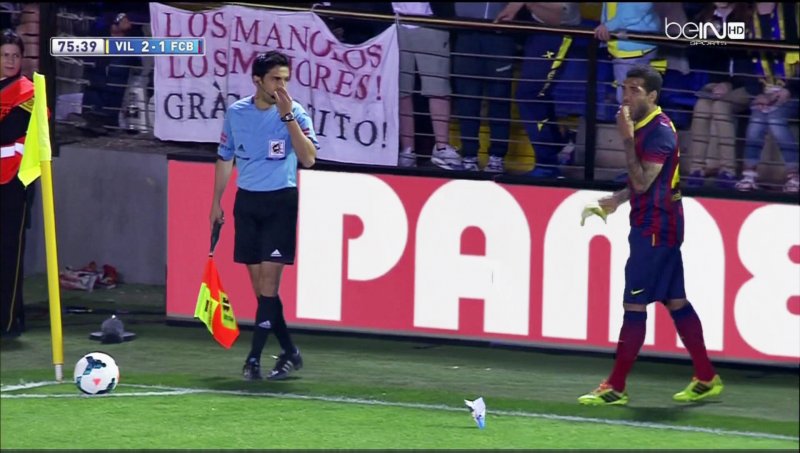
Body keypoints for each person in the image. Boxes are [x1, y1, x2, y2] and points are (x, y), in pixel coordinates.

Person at [578, 66, 723, 406]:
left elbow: (644, 181)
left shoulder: (658, 132)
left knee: (634, 303)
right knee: (676, 301)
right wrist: (616, 200)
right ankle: (705, 376)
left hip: (656, 228)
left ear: (652, 96)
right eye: (624, 88)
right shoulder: (647, 125)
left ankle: (616, 386)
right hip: (656, 223)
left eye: (634, 90)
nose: (625, 95)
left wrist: (626, 137)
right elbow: (644, 182)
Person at [209, 51, 319, 381]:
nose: (282, 85)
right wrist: (217, 201)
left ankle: (254, 358)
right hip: (248, 204)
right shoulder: (237, 113)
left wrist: (288, 119)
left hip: (280, 203)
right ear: (258, 81)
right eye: (276, 79)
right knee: (261, 294)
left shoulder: (295, 112)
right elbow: (225, 157)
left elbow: (309, 159)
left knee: (269, 288)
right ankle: (289, 351)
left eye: (285, 79)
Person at [497, 2, 581, 178]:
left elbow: (559, 16)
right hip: (538, 33)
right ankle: (559, 146)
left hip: (556, 34)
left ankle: (548, 163)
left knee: (530, 96)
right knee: (534, 96)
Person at [685, 3, 752, 189]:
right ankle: (696, 170)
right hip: (718, 83)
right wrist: (706, 40)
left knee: (720, 106)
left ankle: (728, 171)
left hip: (747, 84)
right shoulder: (705, 16)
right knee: (702, 106)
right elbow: (694, 55)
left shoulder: (747, 16)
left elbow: (746, 57)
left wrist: (720, 37)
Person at [735, 2, 799, 193]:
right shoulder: (743, 15)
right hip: (761, 88)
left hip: (793, 87)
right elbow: (741, 60)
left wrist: (789, 89)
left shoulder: (792, 11)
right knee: (756, 120)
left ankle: (794, 176)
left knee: (776, 119)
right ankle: (749, 175)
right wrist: (759, 93)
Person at [392, 2, 462, 170]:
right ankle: (407, 150)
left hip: (432, 22)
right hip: (395, 23)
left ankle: (442, 148)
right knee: (402, 91)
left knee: (438, 88)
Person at [452, 2, 517, 173]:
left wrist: (514, 7)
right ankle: (469, 156)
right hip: (466, 33)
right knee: (467, 99)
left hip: (499, 34)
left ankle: (497, 157)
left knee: (499, 97)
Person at [0, 29, 33, 338]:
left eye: (15, 55)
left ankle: (8, 322)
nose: (10, 60)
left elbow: (10, 131)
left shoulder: (29, 93)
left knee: (9, 253)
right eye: (5, 55)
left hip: (13, 183)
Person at [594, 3, 661, 105]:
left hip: (630, 48)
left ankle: (632, 120)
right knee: (639, 98)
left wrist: (608, 26)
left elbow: (633, 12)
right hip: (639, 44)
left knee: (628, 100)